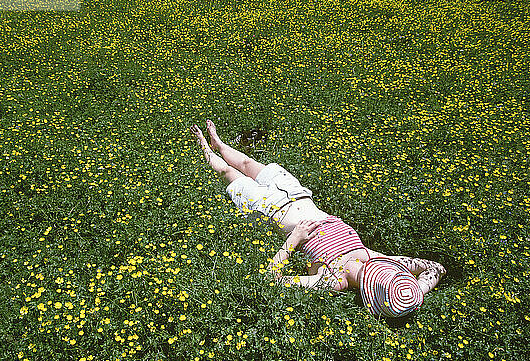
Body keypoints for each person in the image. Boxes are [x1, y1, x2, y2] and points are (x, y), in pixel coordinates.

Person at [190, 120, 446, 318]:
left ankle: (203, 147)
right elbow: (436, 267)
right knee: (247, 162)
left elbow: (271, 278)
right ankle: (218, 143)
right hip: (295, 193)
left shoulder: (335, 281)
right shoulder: (374, 258)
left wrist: (294, 240)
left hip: (270, 209)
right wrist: (412, 292)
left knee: (227, 171)